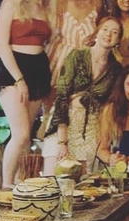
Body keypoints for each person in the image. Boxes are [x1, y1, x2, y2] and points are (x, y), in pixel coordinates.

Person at [0, 0, 58, 188]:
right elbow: (1, 43)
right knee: (20, 134)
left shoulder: (47, 9)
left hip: (39, 70)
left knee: (27, 134)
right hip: (13, 70)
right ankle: (6, 185)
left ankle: (21, 182)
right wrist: (19, 79)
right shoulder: (11, 2)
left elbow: (49, 43)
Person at [41, 16, 123, 176]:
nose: (108, 34)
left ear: (118, 40)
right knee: (52, 178)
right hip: (64, 122)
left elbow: (111, 104)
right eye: (105, 29)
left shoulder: (116, 69)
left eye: (115, 32)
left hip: (90, 126)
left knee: (81, 183)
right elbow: (62, 96)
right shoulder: (77, 55)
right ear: (97, 32)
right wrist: (62, 141)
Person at [50, 0, 104, 80]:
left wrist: (94, 37)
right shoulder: (58, 0)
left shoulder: (97, 2)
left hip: (88, 60)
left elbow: (103, 25)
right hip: (60, 60)